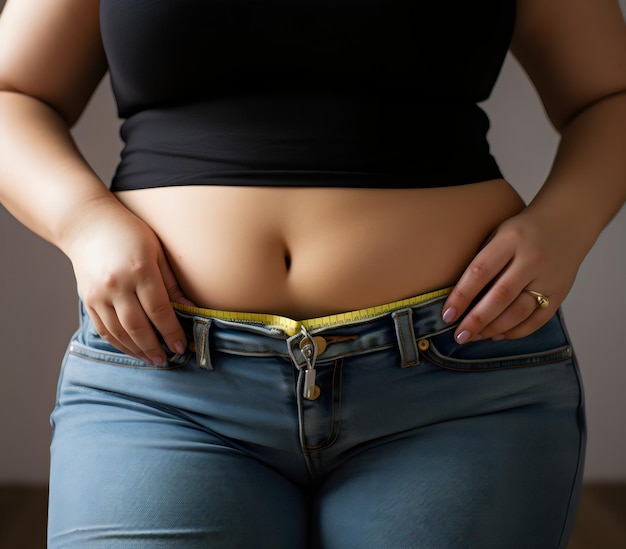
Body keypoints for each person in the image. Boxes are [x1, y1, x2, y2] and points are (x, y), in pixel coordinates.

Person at [0, 0, 625, 546]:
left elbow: (610, 94)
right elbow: (13, 91)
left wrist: (566, 224)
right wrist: (83, 221)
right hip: (166, 381)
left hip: (459, 379)